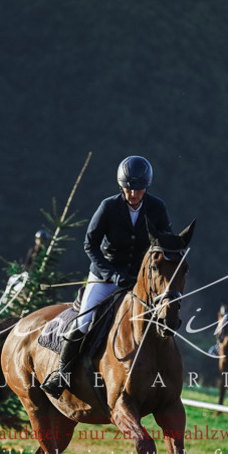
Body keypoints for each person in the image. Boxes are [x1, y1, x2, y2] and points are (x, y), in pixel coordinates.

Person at [41, 155, 173, 397]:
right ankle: (63, 374)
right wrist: (111, 274)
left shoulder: (157, 208)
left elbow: (165, 241)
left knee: (163, 316)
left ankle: (163, 375)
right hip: (105, 275)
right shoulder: (109, 207)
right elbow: (89, 244)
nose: (133, 194)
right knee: (84, 321)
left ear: (146, 187)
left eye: (138, 189)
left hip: (141, 279)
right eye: (128, 188)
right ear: (121, 186)